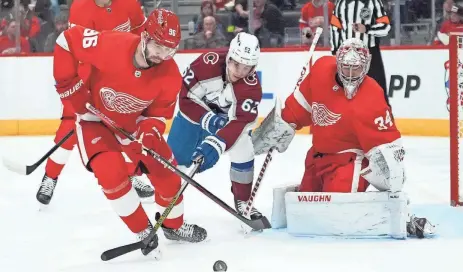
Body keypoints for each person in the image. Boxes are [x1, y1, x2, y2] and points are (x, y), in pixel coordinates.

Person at [53, 9, 207, 256]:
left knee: (168, 173)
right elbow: (66, 40)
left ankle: (173, 226)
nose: (163, 55)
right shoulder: (111, 43)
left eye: (170, 50)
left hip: (133, 125)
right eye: (159, 46)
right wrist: (68, 86)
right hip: (95, 119)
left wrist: (148, 134)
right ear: (145, 36)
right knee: (111, 173)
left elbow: (157, 116)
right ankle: (143, 230)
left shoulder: (170, 75)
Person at [255, 38, 433, 238]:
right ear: (337, 62)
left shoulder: (372, 95)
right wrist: (282, 123)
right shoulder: (322, 69)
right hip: (317, 157)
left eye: (356, 69)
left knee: (336, 209)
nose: (350, 74)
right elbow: (300, 106)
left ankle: (397, 220)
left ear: (365, 66)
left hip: (350, 161)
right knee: (307, 207)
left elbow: (387, 145)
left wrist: (392, 181)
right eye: (346, 67)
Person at [37, 0, 152, 206]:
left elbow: (141, 34)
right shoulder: (80, 9)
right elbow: (78, 49)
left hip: (123, 74)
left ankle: (130, 175)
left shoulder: (129, 3)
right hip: (89, 73)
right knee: (70, 126)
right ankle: (50, 176)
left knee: (121, 128)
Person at [167, 32, 264, 221]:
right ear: (229, 57)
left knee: (244, 147)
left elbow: (240, 123)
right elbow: (186, 99)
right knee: (173, 160)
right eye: (236, 64)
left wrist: (218, 143)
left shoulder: (251, 87)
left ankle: (243, 200)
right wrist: (210, 120)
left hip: (225, 127)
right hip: (193, 117)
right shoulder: (205, 64)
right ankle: (141, 176)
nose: (240, 72)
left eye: (247, 67)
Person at [330, 0, 391, 106]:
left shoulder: (373, 2)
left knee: (378, 91)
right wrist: (335, 51)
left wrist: (367, 29)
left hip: (370, 53)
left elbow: (385, 27)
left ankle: (384, 120)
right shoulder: (341, 3)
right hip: (347, 54)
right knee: (346, 93)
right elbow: (335, 29)